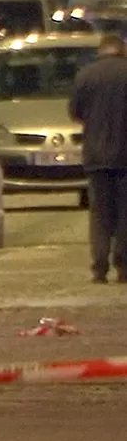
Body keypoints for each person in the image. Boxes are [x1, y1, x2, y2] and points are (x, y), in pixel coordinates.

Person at [69, 34, 127, 284]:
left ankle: (99, 266)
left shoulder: (85, 75)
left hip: (96, 155)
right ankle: (124, 265)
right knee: (125, 212)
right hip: (125, 155)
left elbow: (75, 111)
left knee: (100, 213)